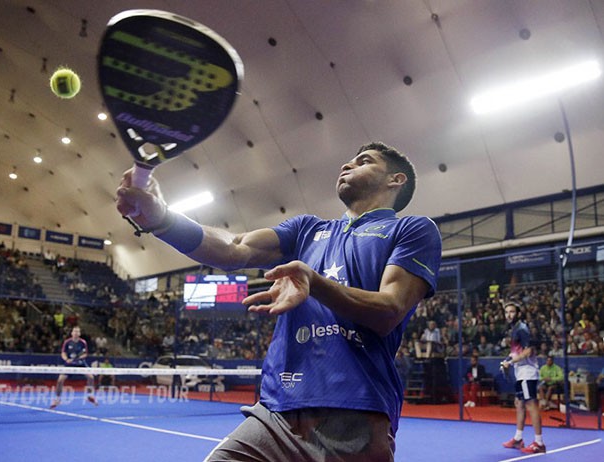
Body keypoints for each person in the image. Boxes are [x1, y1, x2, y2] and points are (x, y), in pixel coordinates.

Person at [116, 142, 442, 461]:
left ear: (395, 180)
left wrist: (314, 283)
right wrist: (162, 219)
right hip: (274, 411)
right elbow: (233, 246)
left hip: (354, 411)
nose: (347, 165)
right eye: (349, 160)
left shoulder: (413, 230)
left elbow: (390, 310)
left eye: (364, 161)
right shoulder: (306, 230)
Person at [500, 302, 545, 454]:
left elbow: (529, 352)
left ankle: (539, 443)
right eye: (506, 312)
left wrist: (511, 362)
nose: (509, 315)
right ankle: (518, 439)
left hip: (528, 372)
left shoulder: (522, 328)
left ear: (518, 313)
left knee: (531, 405)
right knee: (519, 404)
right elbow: (516, 352)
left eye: (512, 312)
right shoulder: (514, 329)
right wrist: (507, 361)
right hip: (520, 372)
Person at [50, 326, 98, 409]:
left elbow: (85, 354)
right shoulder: (67, 342)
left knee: (91, 377)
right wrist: (66, 359)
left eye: (77, 332)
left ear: (79, 333)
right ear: (72, 333)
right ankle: (57, 399)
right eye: (74, 331)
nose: (76, 333)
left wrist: (79, 358)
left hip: (80, 364)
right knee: (60, 380)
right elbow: (63, 353)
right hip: (69, 364)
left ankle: (90, 396)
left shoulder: (83, 342)